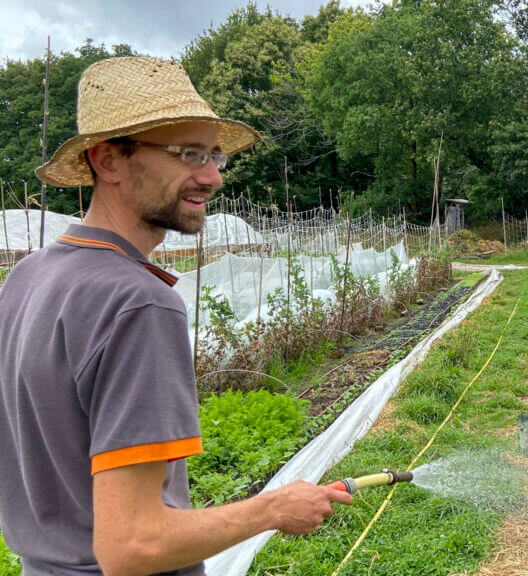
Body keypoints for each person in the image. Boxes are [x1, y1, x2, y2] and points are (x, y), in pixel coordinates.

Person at [0, 56, 351, 576]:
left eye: (214, 156)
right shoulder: (138, 301)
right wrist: (273, 508)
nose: (211, 176)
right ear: (108, 161)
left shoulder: (28, 278)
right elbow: (132, 546)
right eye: (188, 154)